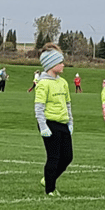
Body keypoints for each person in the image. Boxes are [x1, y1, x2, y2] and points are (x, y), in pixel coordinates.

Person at [35, 43, 73, 196]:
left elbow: (68, 104)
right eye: (60, 62)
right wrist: (43, 126)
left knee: (67, 157)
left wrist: (70, 122)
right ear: (51, 65)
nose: (63, 65)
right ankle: (50, 189)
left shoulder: (63, 83)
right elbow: (39, 107)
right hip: (49, 123)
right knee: (54, 157)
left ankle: (49, 178)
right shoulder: (43, 84)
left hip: (62, 123)